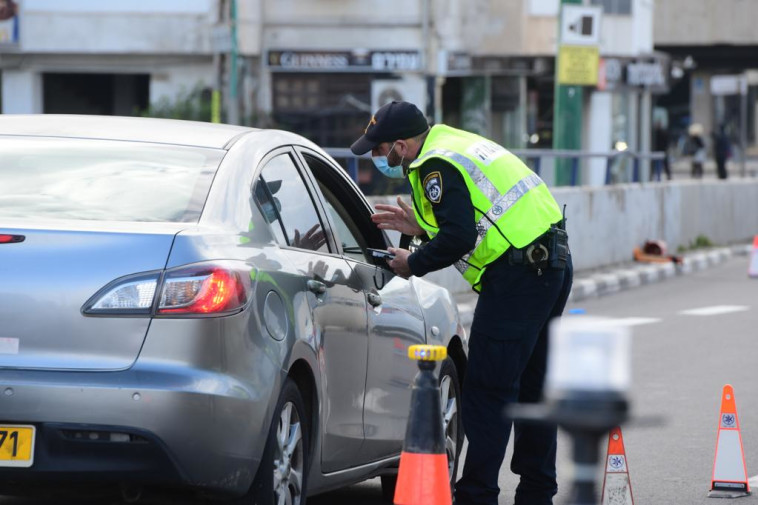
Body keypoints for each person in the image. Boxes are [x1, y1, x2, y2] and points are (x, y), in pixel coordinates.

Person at [350, 101, 573, 505]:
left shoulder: (434, 165)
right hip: (550, 261)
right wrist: (420, 227)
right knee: (532, 386)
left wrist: (411, 262)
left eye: (380, 150)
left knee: (487, 390)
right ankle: (537, 493)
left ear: (401, 145)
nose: (379, 159)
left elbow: (459, 238)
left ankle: (476, 496)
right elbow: (471, 216)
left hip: (519, 274)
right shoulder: (452, 143)